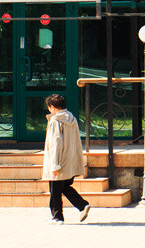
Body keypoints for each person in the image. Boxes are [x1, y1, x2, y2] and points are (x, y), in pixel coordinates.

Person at [42, 94, 91, 225]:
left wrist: (55, 165)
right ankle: (82, 205)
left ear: (52, 107)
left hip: (59, 161)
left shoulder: (55, 121)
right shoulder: (72, 118)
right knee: (64, 187)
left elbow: (55, 144)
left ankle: (57, 217)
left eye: (49, 106)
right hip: (70, 160)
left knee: (55, 190)